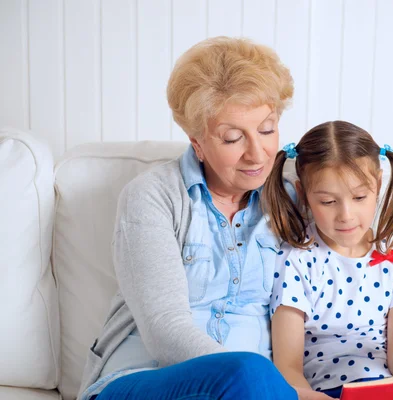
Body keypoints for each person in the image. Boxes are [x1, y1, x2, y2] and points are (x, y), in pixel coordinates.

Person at [78, 36, 299, 400]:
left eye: (266, 129)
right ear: (197, 142)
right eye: (232, 138)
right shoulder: (153, 196)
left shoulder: (290, 200)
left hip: (256, 390)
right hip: (147, 378)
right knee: (249, 370)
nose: (257, 154)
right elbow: (166, 331)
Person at [262, 120, 393, 399]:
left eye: (359, 197)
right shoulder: (296, 261)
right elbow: (287, 369)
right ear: (304, 195)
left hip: (389, 390)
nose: (346, 215)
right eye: (327, 202)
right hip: (326, 393)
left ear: (378, 185)